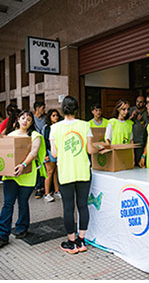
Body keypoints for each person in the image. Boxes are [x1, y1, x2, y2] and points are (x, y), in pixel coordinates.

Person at [50, 96, 102, 254]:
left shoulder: (55, 128)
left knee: (68, 207)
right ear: (77, 108)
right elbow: (90, 150)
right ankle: (82, 240)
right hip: (83, 171)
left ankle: (71, 243)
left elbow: (54, 153)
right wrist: (100, 147)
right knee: (82, 206)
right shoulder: (85, 125)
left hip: (65, 172)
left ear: (62, 109)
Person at [0, 111, 46, 247]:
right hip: (10, 175)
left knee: (23, 201)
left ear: (32, 122)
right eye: (23, 118)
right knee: (8, 203)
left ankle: (22, 227)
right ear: (18, 120)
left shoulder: (35, 136)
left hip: (27, 174)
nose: (25, 121)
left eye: (28, 119)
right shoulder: (10, 136)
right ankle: (1, 235)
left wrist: (23, 165)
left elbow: (33, 152)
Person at [43, 109, 61, 202]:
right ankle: (46, 193)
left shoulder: (59, 126)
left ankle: (57, 191)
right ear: (49, 117)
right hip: (49, 152)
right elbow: (45, 141)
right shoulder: (47, 128)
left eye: (57, 115)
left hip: (58, 151)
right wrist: (46, 154)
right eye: (53, 115)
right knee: (49, 172)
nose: (56, 117)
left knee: (55, 172)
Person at [130, 95, 149, 165]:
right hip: (131, 140)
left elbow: (148, 128)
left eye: (140, 102)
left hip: (141, 141)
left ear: (144, 103)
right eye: (137, 101)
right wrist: (132, 117)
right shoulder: (131, 110)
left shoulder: (147, 112)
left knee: (139, 162)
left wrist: (141, 121)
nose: (138, 104)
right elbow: (124, 123)